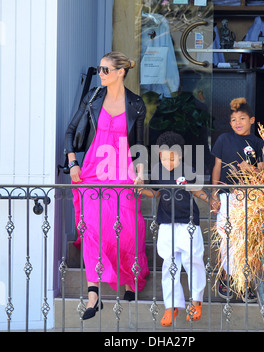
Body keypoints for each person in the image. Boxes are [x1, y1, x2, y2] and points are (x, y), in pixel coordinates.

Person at [64, 51, 149, 320]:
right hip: (91, 170)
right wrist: (73, 163)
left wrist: (140, 172)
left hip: (121, 168)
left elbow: (139, 143)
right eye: (99, 70)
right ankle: (93, 294)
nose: (100, 74)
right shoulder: (93, 97)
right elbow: (70, 131)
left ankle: (128, 277)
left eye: (105, 70)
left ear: (120, 72)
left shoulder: (136, 104)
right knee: (90, 227)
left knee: (127, 227)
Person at [140, 131, 209, 327]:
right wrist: (138, 189)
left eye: (172, 157)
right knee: (169, 265)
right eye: (163, 157)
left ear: (180, 155)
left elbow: (196, 190)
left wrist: (210, 200)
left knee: (193, 260)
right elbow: (155, 194)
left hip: (188, 223)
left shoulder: (188, 170)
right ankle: (171, 307)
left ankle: (196, 302)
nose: (167, 161)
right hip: (166, 223)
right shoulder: (156, 171)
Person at [211, 97, 264, 302]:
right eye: (234, 120)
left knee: (246, 239)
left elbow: (263, 175)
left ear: (252, 120)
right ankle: (226, 277)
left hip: (249, 199)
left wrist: (249, 169)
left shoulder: (259, 143)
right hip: (226, 195)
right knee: (226, 238)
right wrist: (214, 194)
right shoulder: (223, 140)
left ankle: (247, 280)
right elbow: (217, 167)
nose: (237, 123)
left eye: (242, 118)